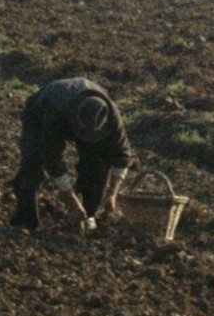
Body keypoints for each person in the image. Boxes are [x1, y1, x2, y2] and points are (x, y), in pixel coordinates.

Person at [9, 77, 133, 230]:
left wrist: (112, 193)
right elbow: (52, 158)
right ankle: (25, 220)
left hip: (81, 118)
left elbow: (123, 154)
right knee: (32, 164)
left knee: (96, 163)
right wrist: (70, 200)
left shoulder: (111, 116)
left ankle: (87, 215)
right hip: (39, 114)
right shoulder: (56, 113)